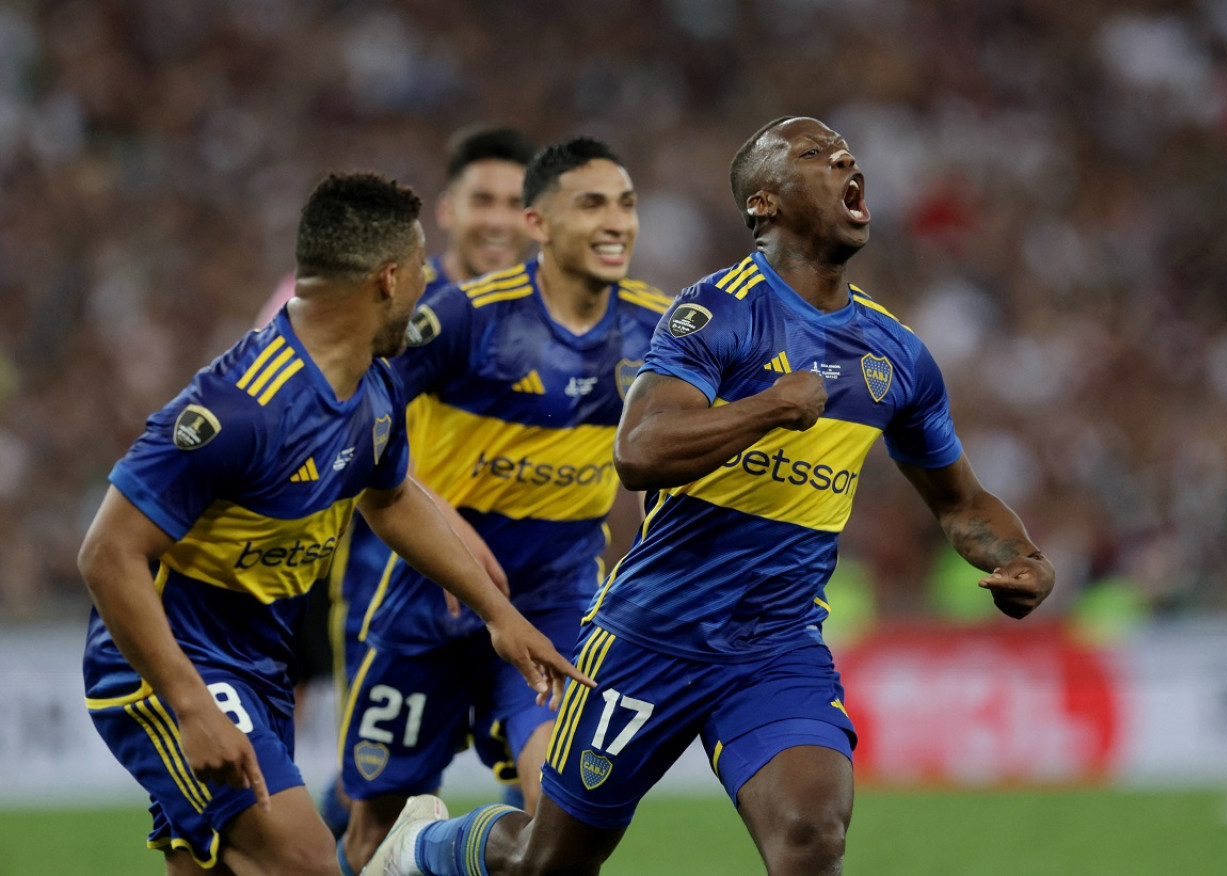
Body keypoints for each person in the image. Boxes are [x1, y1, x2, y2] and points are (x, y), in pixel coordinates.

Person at [364, 116, 1055, 876]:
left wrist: (1018, 555)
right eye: (814, 154)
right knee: (544, 864)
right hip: (650, 638)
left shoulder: (897, 354)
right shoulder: (714, 312)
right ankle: (421, 850)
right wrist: (771, 408)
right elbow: (639, 451)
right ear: (764, 202)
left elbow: (960, 502)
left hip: (774, 644)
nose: (844, 158)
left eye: (846, 153)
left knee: (811, 836)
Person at [79, 170, 588, 875]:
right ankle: (426, 857)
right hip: (174, 660)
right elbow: (106, 553)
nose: (425, 287)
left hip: (257, 658)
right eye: (417, 270)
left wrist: (498, 614)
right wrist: (190, 705)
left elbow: (392, 497)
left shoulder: (371, 388)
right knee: (309, 857)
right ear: (386, 279)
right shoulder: (239, 408)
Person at [338, 136, 668, 875]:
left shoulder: (660, 330)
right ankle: (408, 851)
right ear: (539, 224)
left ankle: (433, 854)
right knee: (368, 835)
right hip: (431, 601)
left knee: (559, 833)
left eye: (627, 204)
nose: (617, 222)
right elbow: (355, 417)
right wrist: (443, 517)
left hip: (556, 605)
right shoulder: (464, 318)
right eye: (593, 204)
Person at [272, 126, 538, 839]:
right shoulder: (382, 301)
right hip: (386, 579)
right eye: (483, 198)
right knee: (378, 793)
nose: (497, 217)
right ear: (448, 208)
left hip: (527, 585)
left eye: (515, 202)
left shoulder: (559, 316)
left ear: (537, 217)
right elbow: (300, 409)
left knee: (550, 792)